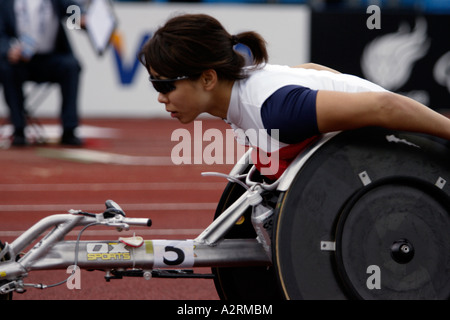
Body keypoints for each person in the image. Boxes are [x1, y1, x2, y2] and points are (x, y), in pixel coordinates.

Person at [139, 13, 450, 178]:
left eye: (164, 86)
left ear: (207, 78)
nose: (160, 98)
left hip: (414, 165)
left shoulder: (275, 110)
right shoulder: (246, 90)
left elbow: (385, 104)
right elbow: (313, 70)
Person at [0, 0, 85, 146]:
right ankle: (18, 129)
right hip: (20, 61)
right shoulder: (5, 2)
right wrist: (8, 49)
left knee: (71, 66)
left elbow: (71, 10)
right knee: (6, 69)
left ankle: (69, 130)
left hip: (50, 58)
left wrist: (81, 17)